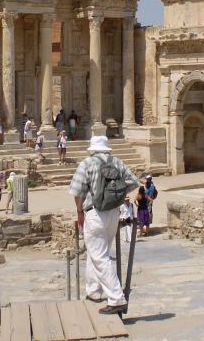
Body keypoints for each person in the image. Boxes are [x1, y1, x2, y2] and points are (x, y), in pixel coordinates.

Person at [69, 135, 140, 315]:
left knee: (99, 256)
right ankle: (93, 291)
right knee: (99, 253)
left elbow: (77, 191)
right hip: (114, 213)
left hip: (95, 214)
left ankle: (117, 298)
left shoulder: (87, 163)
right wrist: (116, 195)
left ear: (92, 149)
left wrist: (79, 212)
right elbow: (133, 182)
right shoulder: (116, 162)